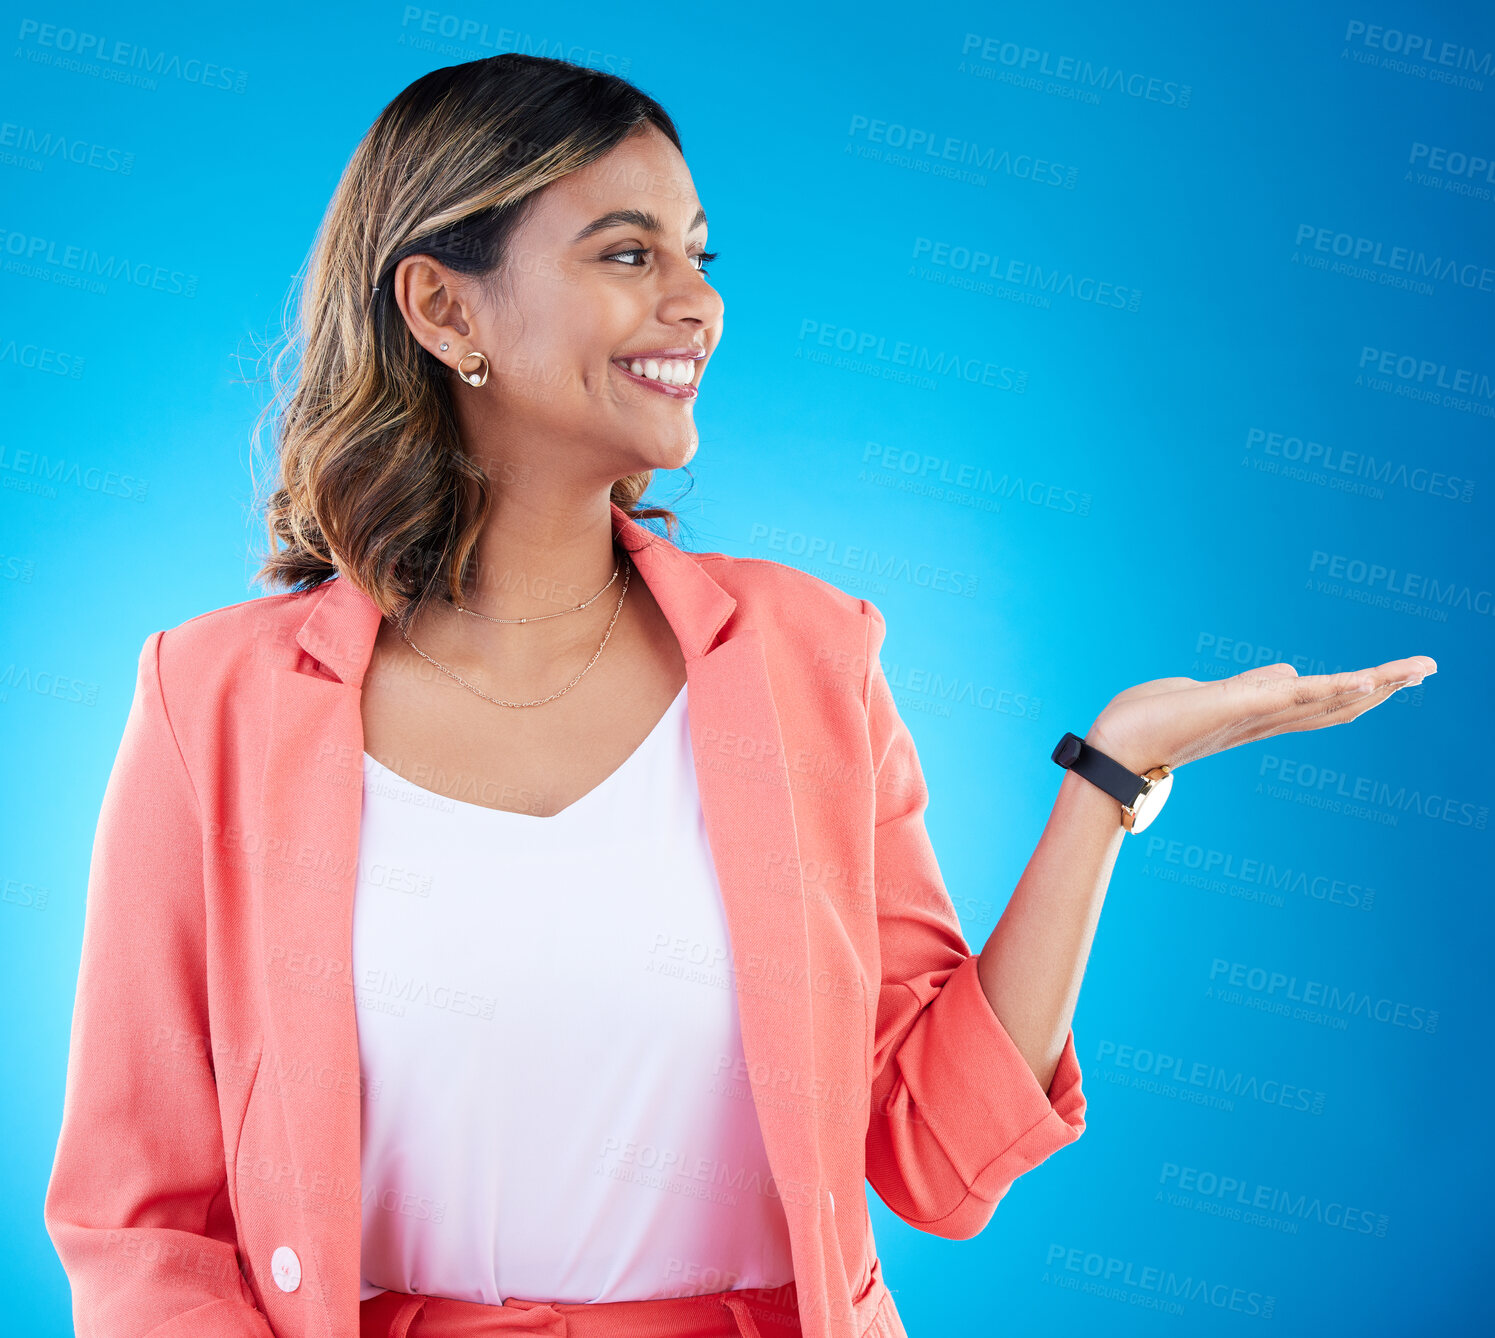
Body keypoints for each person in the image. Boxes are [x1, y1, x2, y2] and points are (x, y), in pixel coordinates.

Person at [43, 52, 1436, 1338]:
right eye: (627, 253)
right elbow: (137, 1217)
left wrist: (1108, 780)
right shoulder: (212, 700)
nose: (695, 302)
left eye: (699, 257)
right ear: (443, 304)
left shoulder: (810, 660)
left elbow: (932, 1154)